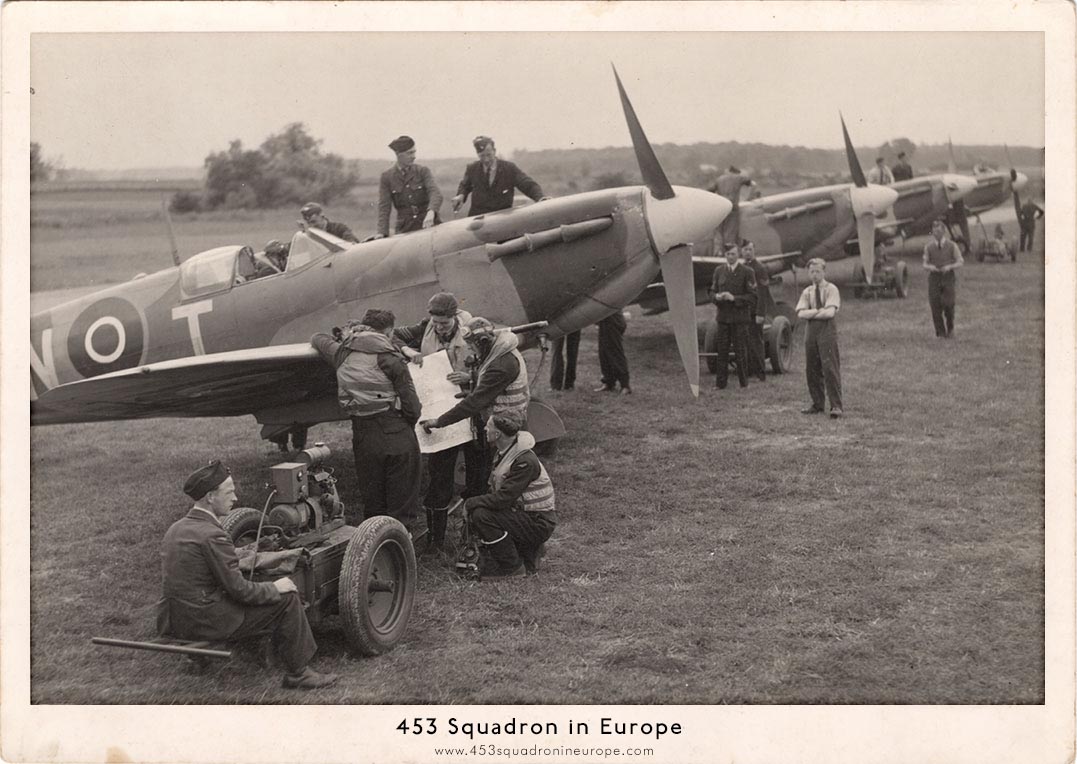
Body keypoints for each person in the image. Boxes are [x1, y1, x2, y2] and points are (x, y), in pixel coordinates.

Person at [156, 460, 338, 690]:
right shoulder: (212, 535)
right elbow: (239, 591)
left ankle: (198, 657)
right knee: (288, 598)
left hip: (175, 620)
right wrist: (276, 587)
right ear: (210, 497)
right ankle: (299, 673)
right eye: (229, 492)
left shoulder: (176, 529)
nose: (235, 498)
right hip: (206, 621)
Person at [311, 309, 422, 527]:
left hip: (363, 434)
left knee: (373, 498)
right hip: (395, 429)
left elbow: (317, 338)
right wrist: (404, 425)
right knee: (402, 499)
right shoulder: (391, 359)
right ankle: (401, 540)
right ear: (388, 332)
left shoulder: (341, 353)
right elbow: (412, 406)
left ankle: (373, 544)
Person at [392, 292, 478, 552]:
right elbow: (391, 336)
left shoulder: (473, 331)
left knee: (476, 477)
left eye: (445, 323)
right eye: (436, 322)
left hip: (471, 411)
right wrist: (407, 349)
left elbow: (492, 366)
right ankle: (435, 541)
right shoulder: (423, 327)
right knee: (439, 477)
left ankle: (473, 535)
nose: (439, 327)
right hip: (439, 415)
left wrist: (470, 377)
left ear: (455, 317)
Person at [419, 317, 530, 466]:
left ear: (482, 342)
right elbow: (491, 387)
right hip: (507, 419)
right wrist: (471, 392)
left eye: (471, 346)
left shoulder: (501, 365)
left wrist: (439, 421)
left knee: (504, 467)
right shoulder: (500, 351)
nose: (470, 350)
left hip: (505, 426)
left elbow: (475, 402)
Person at [465, 413, 557, 578]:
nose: (485, 429)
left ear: (498, 434)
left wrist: (471, 503)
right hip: (529, 516)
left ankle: (512, 567)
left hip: (538, 521)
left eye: (488, 426)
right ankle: (526, 552)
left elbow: (503, 499)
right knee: (481, 511)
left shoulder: (524, 461)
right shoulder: (508, 451)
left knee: (482, 516)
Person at [451, 135, 549, 216]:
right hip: (477, 222)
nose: (486, 160)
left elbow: (528, 185)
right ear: (477, 154)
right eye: (482, 156)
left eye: (488, 155)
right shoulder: (472, 168)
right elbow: (465, 185)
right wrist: (461, 195)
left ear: (495, 151)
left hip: (503, 222)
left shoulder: (509, 168)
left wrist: (540, 198)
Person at [796, 258, 842, 418]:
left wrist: (812, 312)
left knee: (830, 367)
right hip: (811, 331)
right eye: (812, 272)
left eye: (818, 271)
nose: (815, 275)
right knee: (812, 368)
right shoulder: (807, 291)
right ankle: (817, 403)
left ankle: (836, 406)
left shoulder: (831, 289)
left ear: (824, 272)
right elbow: (800, 313)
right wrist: (819, 311)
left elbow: (830, 313)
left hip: (827, 330)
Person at [708, 243, 758, 390]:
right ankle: (720, 384)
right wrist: (716, 296)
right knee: (722, 351)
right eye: (728, 254)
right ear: (725, 255)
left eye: (734, 254)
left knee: (740, 350)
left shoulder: (747, 272)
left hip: (739, 319)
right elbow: (711, 292)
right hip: (723, 318)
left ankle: (744, 383)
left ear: (739, 255)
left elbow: (753, 297)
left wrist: (734, 298)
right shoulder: (719, 271)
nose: (731, 257)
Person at [377, 136, 443, 237]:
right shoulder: (387, 177)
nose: (414, 156)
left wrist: (431, 212)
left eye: (414, 152)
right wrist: (381, 233)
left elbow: (435, 193)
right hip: (405, 229)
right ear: (398, 154)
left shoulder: (422, 171)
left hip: (429, 225)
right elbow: (384, 207)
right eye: (409, 153)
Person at [922, 218, 964, 339]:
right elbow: (924, 264)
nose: (937, 235)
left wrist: (950, 266)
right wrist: (931, 267)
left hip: (948, 277)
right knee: (935, 304)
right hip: (934, 277)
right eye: (934, 232)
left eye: (939, 232)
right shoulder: (928, 247)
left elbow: (960, 261)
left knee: (949, 304)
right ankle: (940, 332)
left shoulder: (952, 246)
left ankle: (950, 328)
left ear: (944, 232)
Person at [741, 240, 770, 382]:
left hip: (755, 311)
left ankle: (761, 372)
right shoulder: (740, 267)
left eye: (750, 249)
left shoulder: (759, 268)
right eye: (745, 249)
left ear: (754, 250)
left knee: (756, 340)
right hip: (742, 311)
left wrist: (760, 313)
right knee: (744, 340)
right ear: (742, 251)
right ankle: (748, 370)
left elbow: (763, 293)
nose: (748, 252)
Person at [710, 165, 754, 247]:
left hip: (720, 207)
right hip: (732, 207)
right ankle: (729, 250)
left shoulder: (719, 179)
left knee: (719, 232)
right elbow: (749, 182)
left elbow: (710, 190)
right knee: (730, 232)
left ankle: (718, 253)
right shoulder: (738, 177)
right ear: (736, 172)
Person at [593, 313, 631, 395]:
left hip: (613, 320)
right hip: (604, 320)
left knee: (615, 353)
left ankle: (625, 385)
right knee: (603, 353)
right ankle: (608, 382)